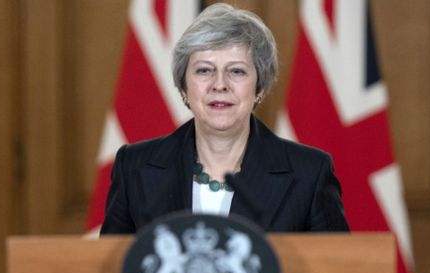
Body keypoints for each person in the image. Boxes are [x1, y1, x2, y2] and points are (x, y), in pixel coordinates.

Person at [100, 3, 349, 235]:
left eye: (237, 71)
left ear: (259, 87)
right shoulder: (134, 167)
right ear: (184, 86)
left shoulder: (309, 173)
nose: (220, 84)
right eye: (204, 70)